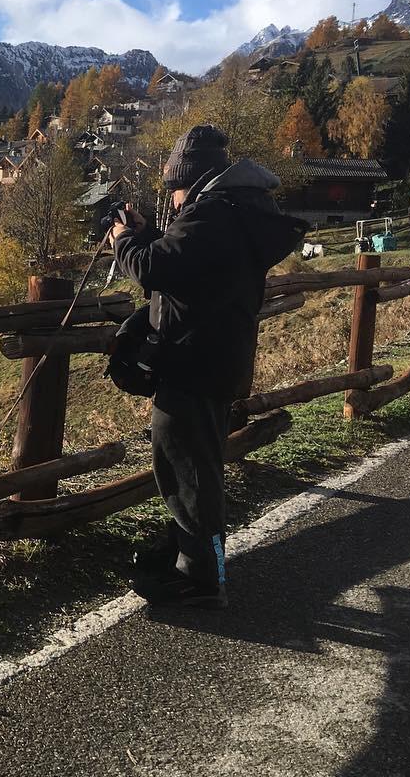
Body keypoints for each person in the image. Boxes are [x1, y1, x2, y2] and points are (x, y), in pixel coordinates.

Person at [111, 125, 306, 607]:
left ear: (193, 180)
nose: (174, 201)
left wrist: (124, 243)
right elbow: (187, 264)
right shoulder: (232, 214)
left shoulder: (214, 215)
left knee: (188, 473)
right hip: (215, 360)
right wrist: (148, 237)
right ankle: (197, 561)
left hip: (193, 364)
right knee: (198, 468)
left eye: (175, 190)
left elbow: (157, 268)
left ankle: (204, 578)